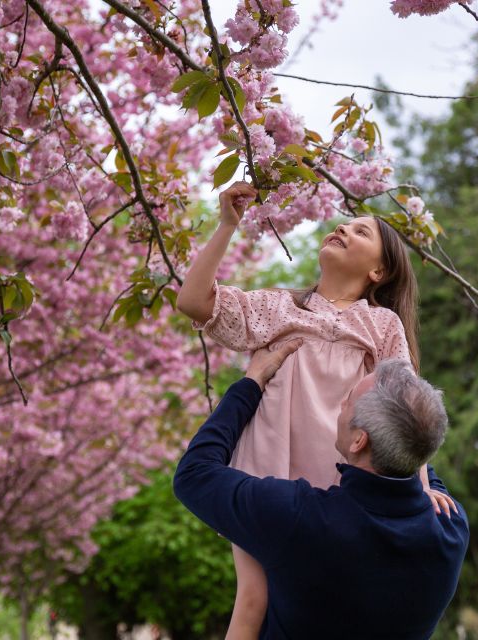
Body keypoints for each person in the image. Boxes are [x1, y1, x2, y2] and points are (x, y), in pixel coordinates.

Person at [176, 181, 451, 639]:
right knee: (252, 599)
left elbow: (401, 404)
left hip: (340, 475)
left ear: (380, 270)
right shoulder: (276, 307)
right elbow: (192, 301)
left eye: (361, 232)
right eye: (344, 223)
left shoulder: (380, 323)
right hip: (268, 468)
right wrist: (227, 225)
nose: (344, 228)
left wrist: (421, 485)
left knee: (318, 599)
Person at [173, 342, 469, 640]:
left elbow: (193, 474)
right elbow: (416, 444)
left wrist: (252, 382)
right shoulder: (450, 529)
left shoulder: (300, 519)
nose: (339, 405)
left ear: (358, 441)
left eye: (348, 401)